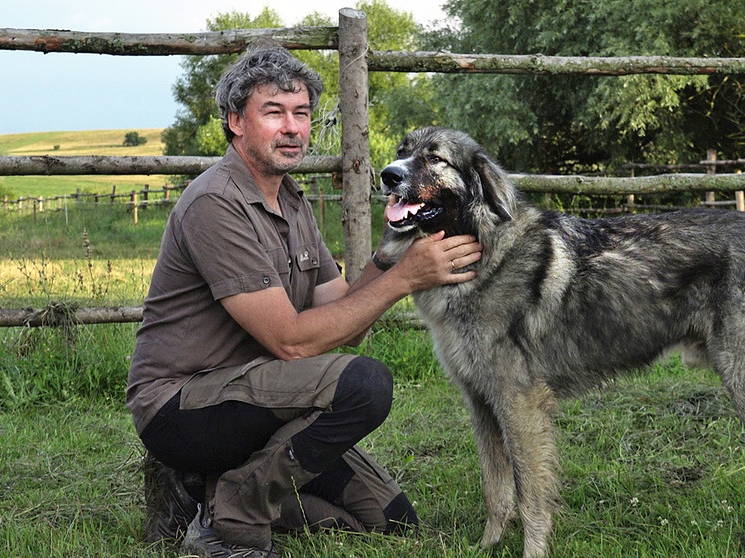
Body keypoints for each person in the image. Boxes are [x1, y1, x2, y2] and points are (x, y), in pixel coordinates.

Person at [126, 43, 482, 557]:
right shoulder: (215, 203)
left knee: (390, 522)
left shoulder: (291, 199)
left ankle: (198, 491)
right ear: (236, 123)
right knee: (365, 383)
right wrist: (405, 279)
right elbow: (293, 343)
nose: (292, 127)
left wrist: (388, 257)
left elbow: (341, 316)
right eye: (273, 112)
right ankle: (231, 514)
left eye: (302, 113)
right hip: (184, 405)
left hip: (266, 397)